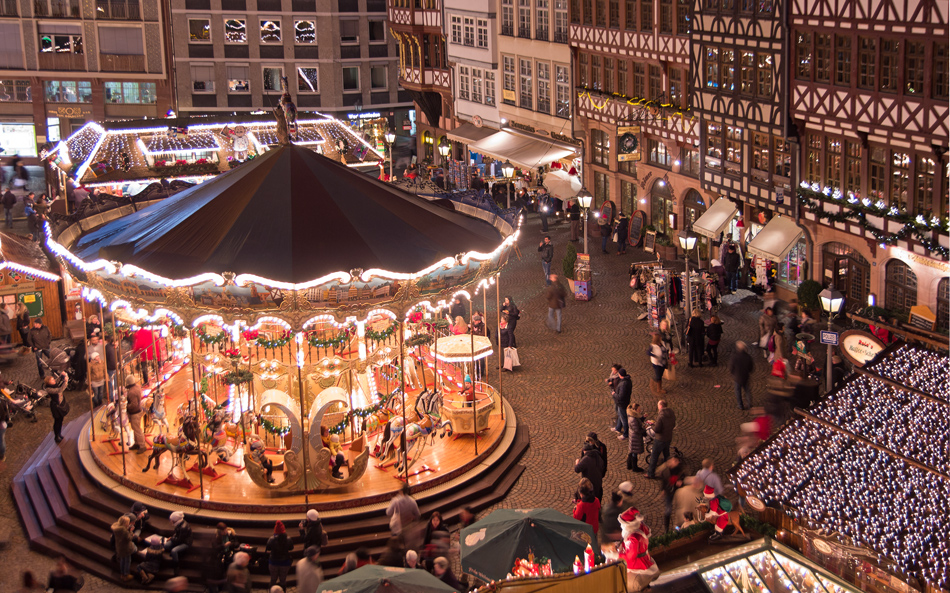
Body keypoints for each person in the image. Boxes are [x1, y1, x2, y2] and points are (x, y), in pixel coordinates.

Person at [646, 400, 675, 479]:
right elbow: (673, 424)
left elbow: (657, 429)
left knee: (654, 456)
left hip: (660, 439)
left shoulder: (661, 415)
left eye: (658, 405)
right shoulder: (671, 412)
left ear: (661, 406)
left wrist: (653, 426)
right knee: (667, 455)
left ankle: (650, 473)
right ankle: (668, 471)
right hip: (668, 437)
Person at [657, 457, 685, 532]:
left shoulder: (680, 470)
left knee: (679, 510)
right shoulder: (665, 471)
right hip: (669, 492)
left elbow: (683, 477)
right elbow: (663, 481)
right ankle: (667, 528)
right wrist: (663, 490)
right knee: (668, 510)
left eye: (676, 461)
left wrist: (681, 481)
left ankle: (678, 527)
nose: (674, 462)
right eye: (673, 461)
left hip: (678, 492)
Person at [266, 520, 293, 590]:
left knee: (273, 580)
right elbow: (291, 548)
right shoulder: (288, 539)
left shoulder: (271, 539)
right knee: (283, 580)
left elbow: (268, 548)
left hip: (273, 562)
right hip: (285, 562)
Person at [729, 341, 754, 409]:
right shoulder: (748, 357)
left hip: (737, 377)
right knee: (747, 391)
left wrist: (733, 374)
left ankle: (740, 405)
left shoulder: (734, 357)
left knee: (738, 392)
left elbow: (731, 368)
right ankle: (749, 404)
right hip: (745, 376)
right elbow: (751, 367)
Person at [112, 514, 137, 581]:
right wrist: (131, 531)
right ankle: (126, 575)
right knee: (127, 561)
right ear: (125, 523)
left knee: (122, 561)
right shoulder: (124, 531)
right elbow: (129, 538)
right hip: (126, 549)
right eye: (128, 523)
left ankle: (122, 574)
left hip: (120, 547)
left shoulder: (117, 529)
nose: (129, 524)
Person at [125, 374, 146, 451]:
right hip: (138, 410)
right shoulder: (137, 387)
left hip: (135, 412)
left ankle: (142, 445)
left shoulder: (131, 392)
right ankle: (137, 443)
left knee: (137, 430)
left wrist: (126, 406)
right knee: (135, 428)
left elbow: (133, 404)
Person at [612, 368, 632, 440]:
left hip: (622, 403)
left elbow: (621, 396)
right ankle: (618, 428)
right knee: (620, 416)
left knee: (624, 419)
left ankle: (626, 434)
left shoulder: (624, 384)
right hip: (623, 402)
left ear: (620, 375)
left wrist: (614, 394)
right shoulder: (627, 381)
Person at [626, 402, 646, 472]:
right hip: (635, 437)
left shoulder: (633, 416)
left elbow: (638, 421)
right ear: (635, 410)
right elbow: (637, 429)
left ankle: (629, 465)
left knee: (632, 451)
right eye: (639, 409)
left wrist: (643, 417)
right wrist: (644, 430)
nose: (640, 410)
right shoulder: (633, 419)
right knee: (634, 452)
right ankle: (635, 467)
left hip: (633, 436)